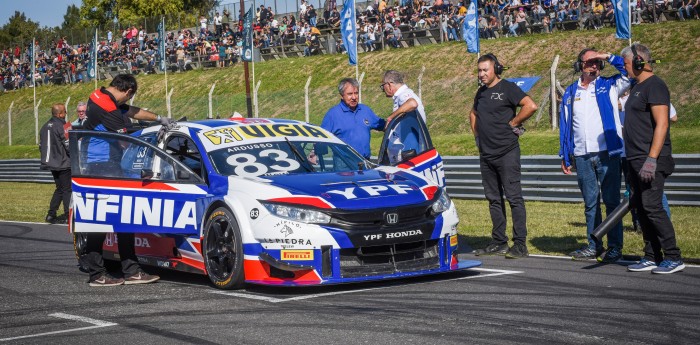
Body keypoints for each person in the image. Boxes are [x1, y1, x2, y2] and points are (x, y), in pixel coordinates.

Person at [82, 74, 174, 286]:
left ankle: (131, 270)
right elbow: (127, 138)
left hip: (106, 164)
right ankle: (97, 274)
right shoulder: (108, 107)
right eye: (129, 97)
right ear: (128, 91)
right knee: (101, 221)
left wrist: (159, 118)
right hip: (102, 165)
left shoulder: (103, 96)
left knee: (124, 218)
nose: (128, 102)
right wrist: (153, 135)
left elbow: (132, 111)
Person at [559, 49, 630, 262]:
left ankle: (615, 247)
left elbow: (629, 72)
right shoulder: (570, 92)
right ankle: (594, 245)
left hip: (607, 153)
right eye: (589, 62)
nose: (593, 67)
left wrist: (605, 55)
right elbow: (565, 125)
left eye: (597, 63)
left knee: (611, 201)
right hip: (581, 155)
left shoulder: (610, 85)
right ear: (579, 65)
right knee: (590, 203)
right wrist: (565, 153)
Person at [621, 44, 684, 274]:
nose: (625, 69)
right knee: (642, 207)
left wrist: (652, 159)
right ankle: (651, 255)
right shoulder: (637, 86)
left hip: (651, 159)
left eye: (627, 64)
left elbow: (663, 123)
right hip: (635, 157)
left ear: (638, 62)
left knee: (652, 207)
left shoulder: (655, 86)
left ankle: (674, 256)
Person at [469, 53, 537, 259]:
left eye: (485, 70)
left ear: (495, 69)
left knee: (514, 198)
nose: (481, 74)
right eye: (479, 70)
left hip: (507, 152)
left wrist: (514, 123)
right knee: (493, 199)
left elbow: (530, 105)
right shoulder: (480, 93)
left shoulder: (508, 88)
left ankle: (520, 244)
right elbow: (473, 114)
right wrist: (478, 138)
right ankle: (499, 242)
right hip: (486, 154)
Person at [321, 78, 385, 159]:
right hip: (344, 165)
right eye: (350, 94)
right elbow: (320, 138)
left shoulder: (365, 110)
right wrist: (313, 154)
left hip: (365, 162)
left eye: (356, 93)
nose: (354, 97)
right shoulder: (333, 114)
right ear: (341, 95)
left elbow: (384, 125)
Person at [39, 103, 71, 224]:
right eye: (65, 112)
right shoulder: (64, 125)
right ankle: (69, 215)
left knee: (60, 189)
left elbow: (41, 146)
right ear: (59, 114)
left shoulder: (44, 126)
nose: (66, 114)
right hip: (64, 163)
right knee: (67, 190)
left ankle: (51, 214)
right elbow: (69, 145)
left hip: (52, 163)